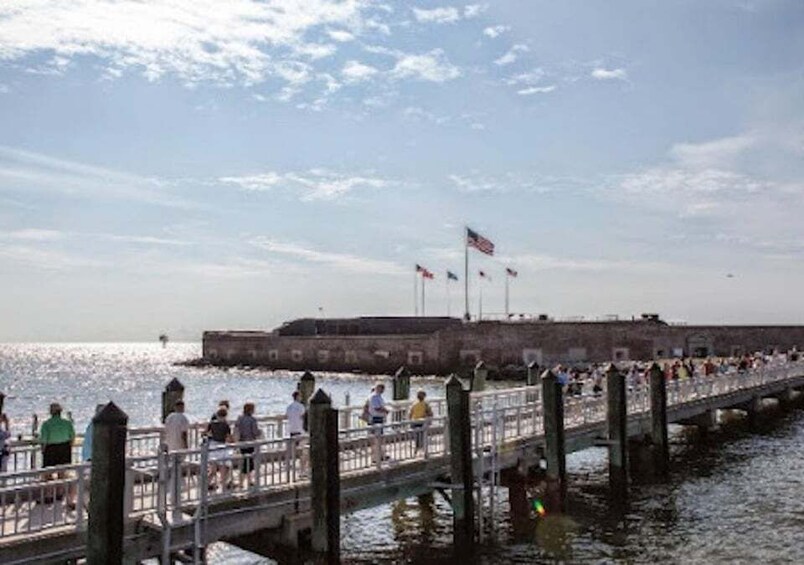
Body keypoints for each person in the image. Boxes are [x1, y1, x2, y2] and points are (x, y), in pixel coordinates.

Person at [39, 402, 76, 507]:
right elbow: (72, 437)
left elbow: (44, 440)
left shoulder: (46, 424)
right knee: (62, 472)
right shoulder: (67, 423)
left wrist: (43, 451)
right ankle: (60, 493)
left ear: (51, 412)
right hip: (64, 448)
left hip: (51, 449)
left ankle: (49, 495)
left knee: (48, 473)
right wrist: (69, 447)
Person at [234, 402, 262, 487]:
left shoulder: (240, 418)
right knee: (248, 462)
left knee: (246, 461)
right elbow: (255, 432)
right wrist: (260, 432)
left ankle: (249, 480)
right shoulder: (252, 419)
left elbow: (236, 429)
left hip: (242, 442)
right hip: (250, 443)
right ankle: (242, 482)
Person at [206, 407, 233, 491]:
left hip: (212, 445)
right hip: (221, 446)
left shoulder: (212, 423)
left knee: (213, 469)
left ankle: (206, 485)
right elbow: (229, 437)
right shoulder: (226, 425)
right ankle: (224, 486)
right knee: (224, 467)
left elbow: (206, 433)